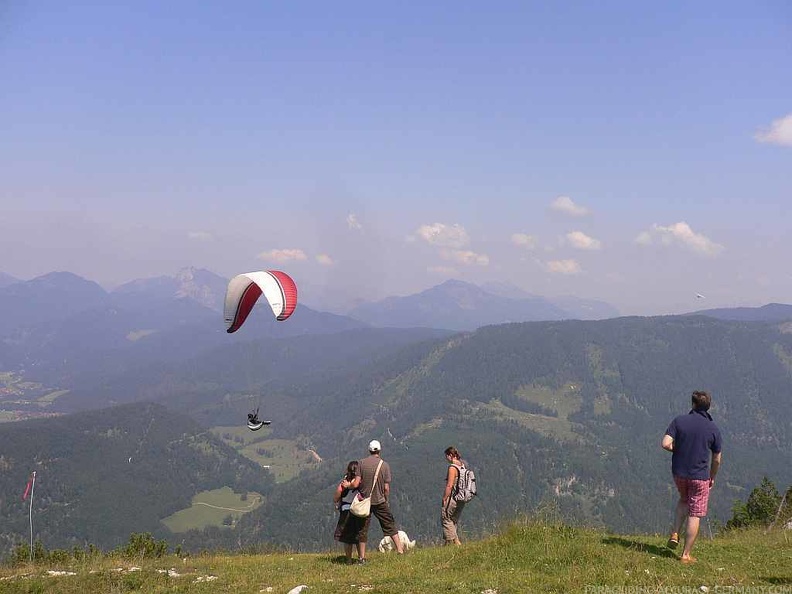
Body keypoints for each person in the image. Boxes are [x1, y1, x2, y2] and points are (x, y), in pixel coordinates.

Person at [661, 390, 723, 564]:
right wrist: (712, 476)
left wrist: (678, 449)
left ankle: (675, 532)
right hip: (700, 476)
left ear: (693, 404)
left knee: (683, 500)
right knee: (695, 513)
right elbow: (717, 458)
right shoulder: (713, 429)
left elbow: (665, 443)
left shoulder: (679, 421)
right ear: (708, 407)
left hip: (679, 473)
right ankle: (686, 555)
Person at [357, 439, 404, 561]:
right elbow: (386, 488)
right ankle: (399, 550)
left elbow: (357, 482)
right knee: (389, 525)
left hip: (364, 501)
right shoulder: (384, 465)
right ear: (379, 450)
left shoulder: (361, 463)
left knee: (362, 529)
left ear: (369, 450)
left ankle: (362, 557)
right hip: (379, 500)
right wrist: (386, 499)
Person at [333, 460, 364, 564]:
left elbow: (337, 495)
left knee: (347, 537)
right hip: (359, 509)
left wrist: (337, 501)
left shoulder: (345, 481)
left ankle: (349, 559)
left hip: (346, 510)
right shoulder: (360, 481)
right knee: (359, 535)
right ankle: (361, 558)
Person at [441, 446, 466, 545]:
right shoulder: (462, 465)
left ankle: (455, 543)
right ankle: (449, 543)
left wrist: (444, 498)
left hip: (453, 497)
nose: (446, 459)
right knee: (453, 520)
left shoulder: (452, 468)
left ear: (450, 455)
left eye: (446, 456)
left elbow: (450, 485)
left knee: (446, 517)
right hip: (462, 498)